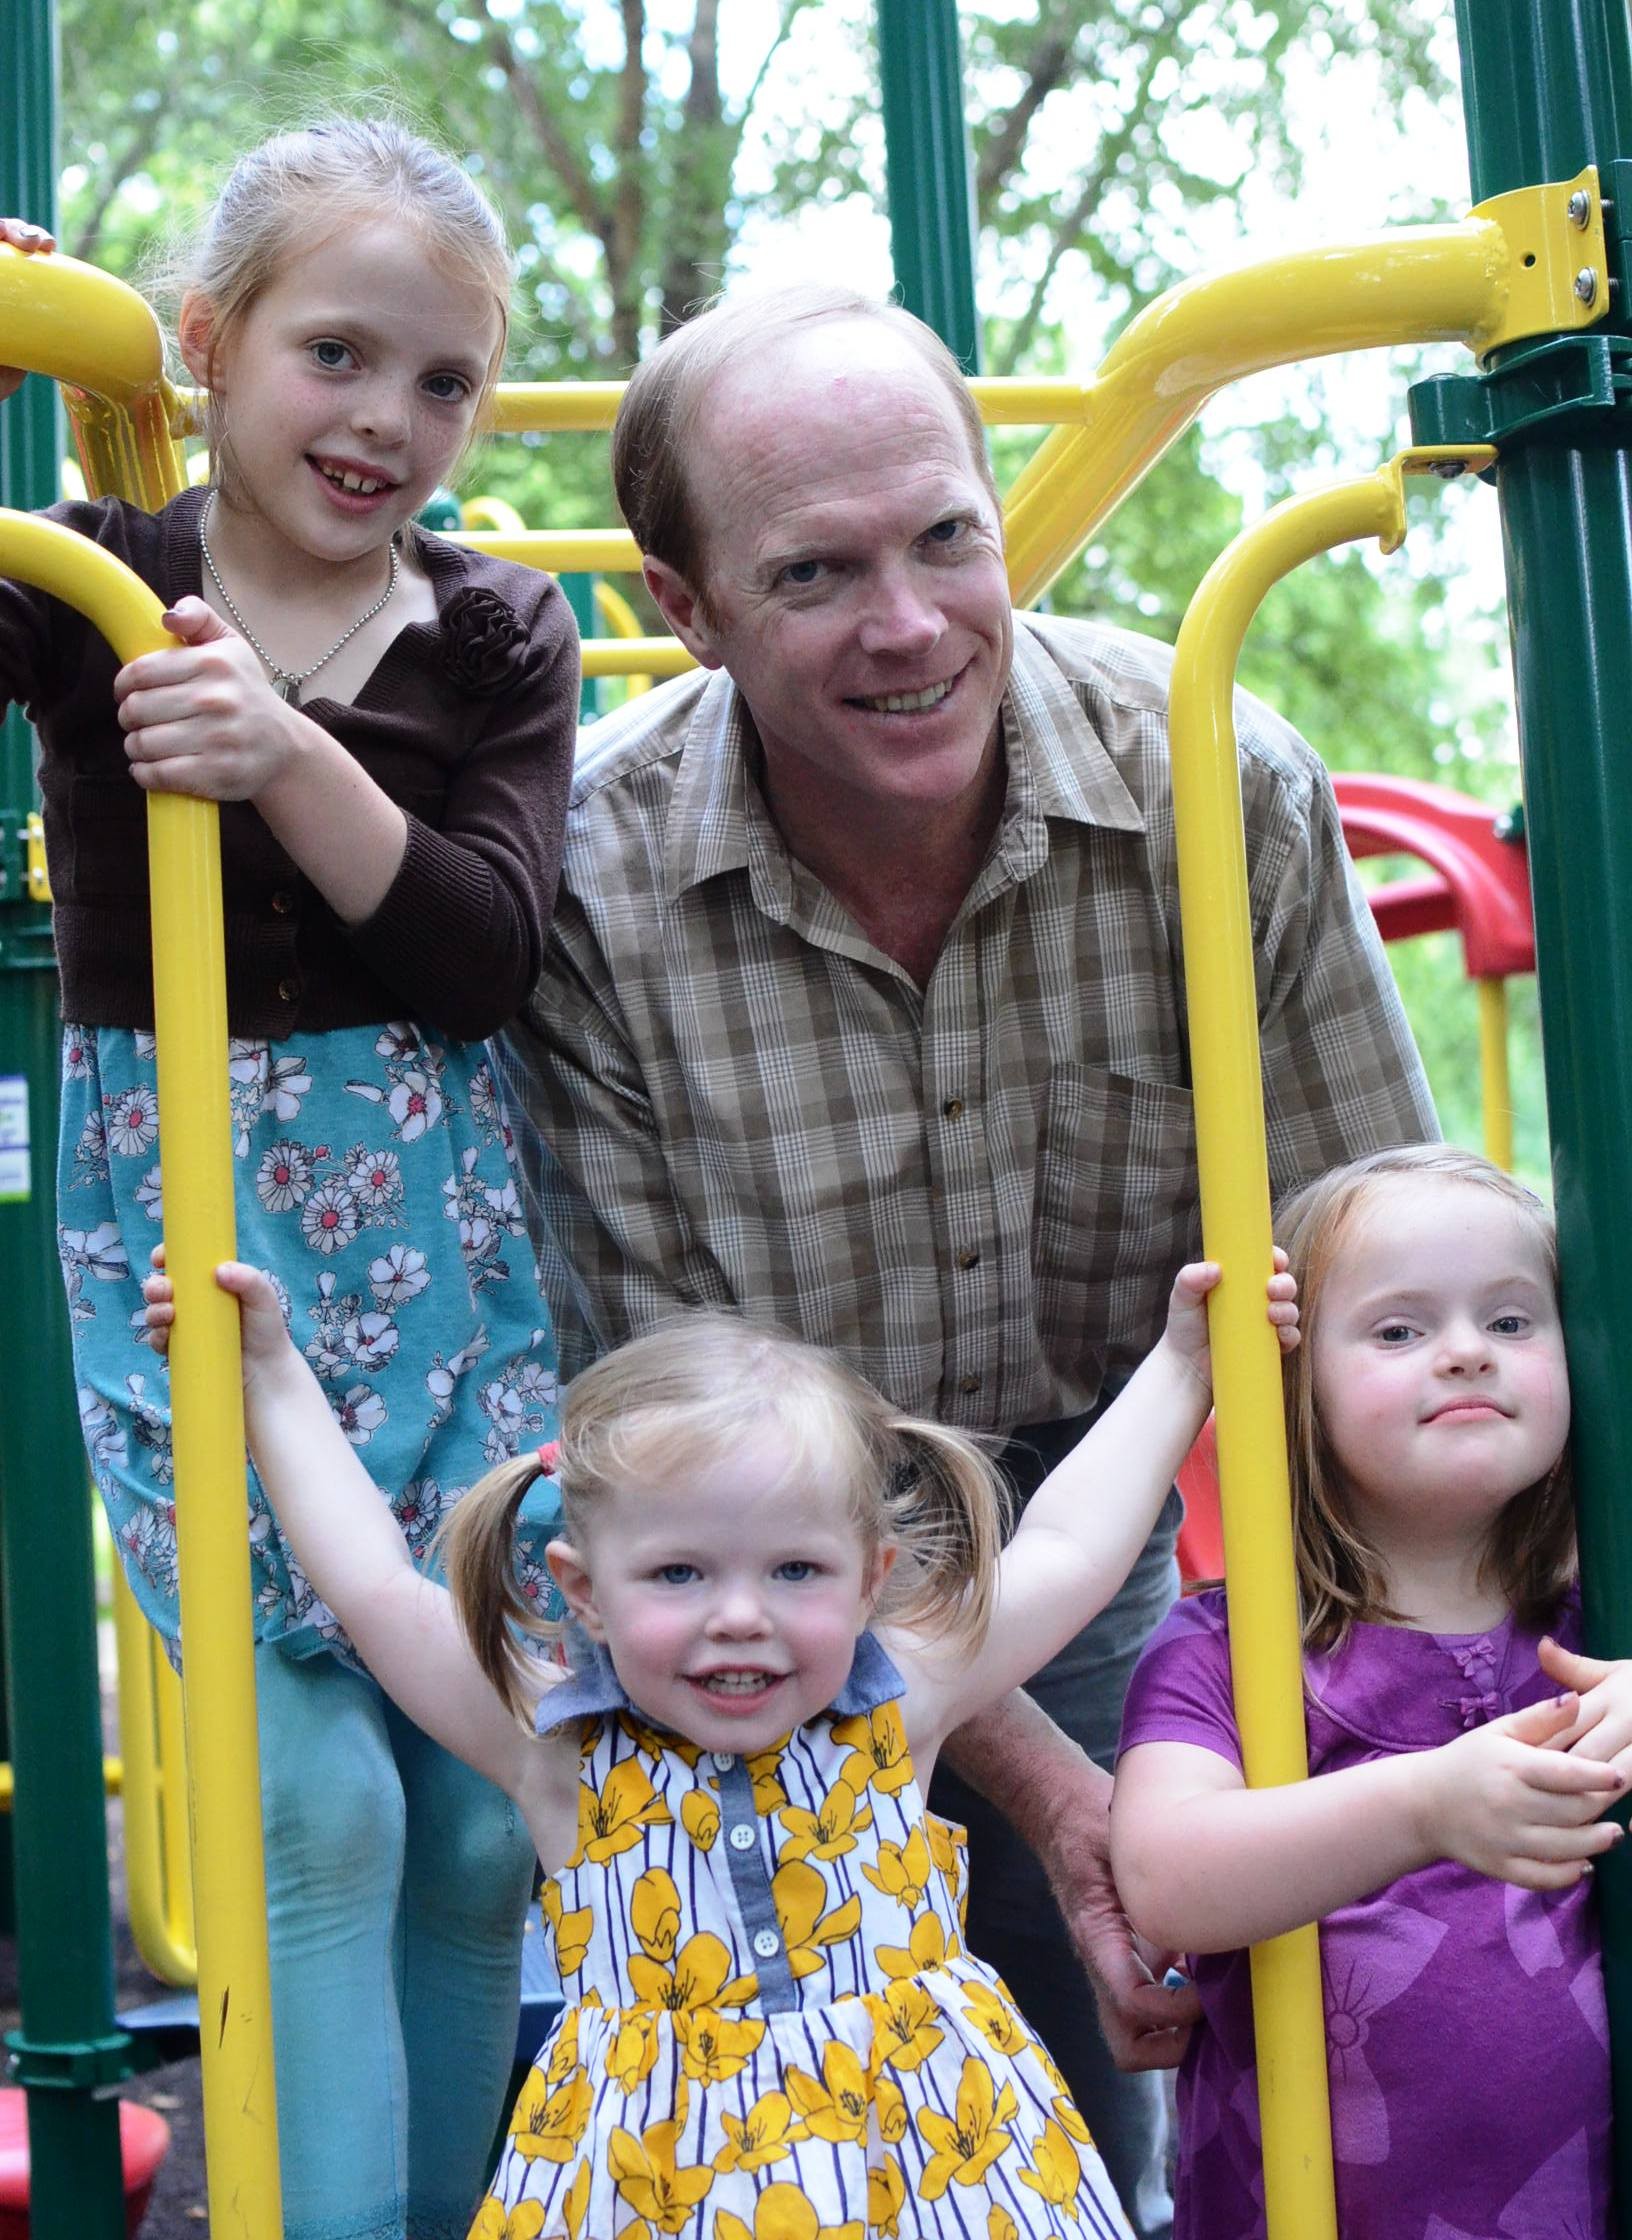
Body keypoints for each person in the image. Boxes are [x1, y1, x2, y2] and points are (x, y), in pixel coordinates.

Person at [495, 280, 1438, 2234]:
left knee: (1122, 2037)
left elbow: (1379, 1241)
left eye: (944, 537)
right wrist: (1049, 1781)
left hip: (1088, 1465)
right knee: (739, 2043)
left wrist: (1393, 1675)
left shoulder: (1214, 777)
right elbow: (660, 1416)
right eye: (815, 572)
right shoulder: (594, 877)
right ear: (687, 606)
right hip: (749, 1541)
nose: (910, 623)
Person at [0, 120, 578, 2240]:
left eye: (442, 383)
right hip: (198, 1252)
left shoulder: (493, 631)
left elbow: (487, 954)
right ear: (210, 344)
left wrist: (283, 754)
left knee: (476, 1824)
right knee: (322, 1797)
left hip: (442, 1258)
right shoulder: (88, 585)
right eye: (336, 354)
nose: (386, 420)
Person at [142, 1235, 1298, 2239]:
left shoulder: (899, 1704)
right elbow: (374, 1587)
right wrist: (268, 1375)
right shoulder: (558, 1747)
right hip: (654, 2191)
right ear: (584, 1590)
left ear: (870, 1579)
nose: (739, 1614)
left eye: (794, 1569)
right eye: (679, 1573)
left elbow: (1071, 1546)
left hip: (923, 2172)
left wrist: (1184, 1362)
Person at [1113, 1144, 1628, 2237]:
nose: (1466, 1352)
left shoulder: (1605, 1622)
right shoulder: (1231, 1651)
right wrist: (1423, 1805)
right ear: (1294, 1391)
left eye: (1510, 1320)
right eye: (1399, 1331)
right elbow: (1165, 1879)